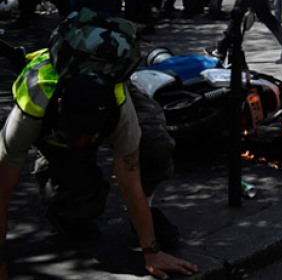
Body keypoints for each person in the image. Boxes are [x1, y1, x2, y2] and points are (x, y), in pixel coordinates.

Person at [0, 51, 196, 279]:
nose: (82, 142)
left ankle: (143, 215)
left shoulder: (119, 106)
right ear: (61, 107)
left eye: (88, 133)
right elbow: (2, 192)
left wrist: (151, 253)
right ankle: (58, 181)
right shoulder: (31, 108)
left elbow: (129, 183)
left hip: (111, 90)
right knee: (79, 210)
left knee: (156, 147)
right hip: (50, 119)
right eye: (76, 132)